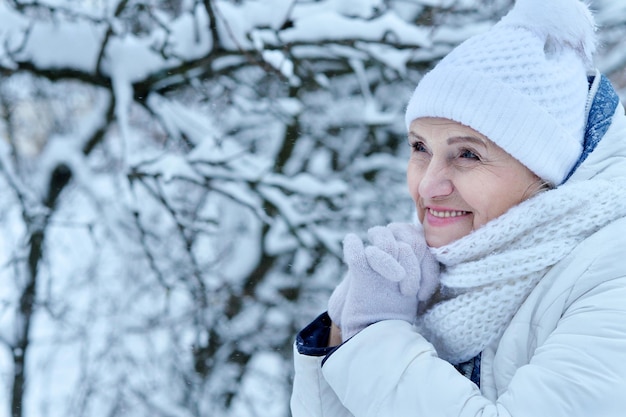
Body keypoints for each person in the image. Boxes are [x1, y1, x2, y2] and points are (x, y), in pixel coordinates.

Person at [290, 0, 626, 415]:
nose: (429, 184)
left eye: (467, 154)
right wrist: (345, 328)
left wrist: (376, 334)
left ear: (545, 170)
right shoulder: (450, 270)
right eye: (419, 148)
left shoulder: (612, 277)